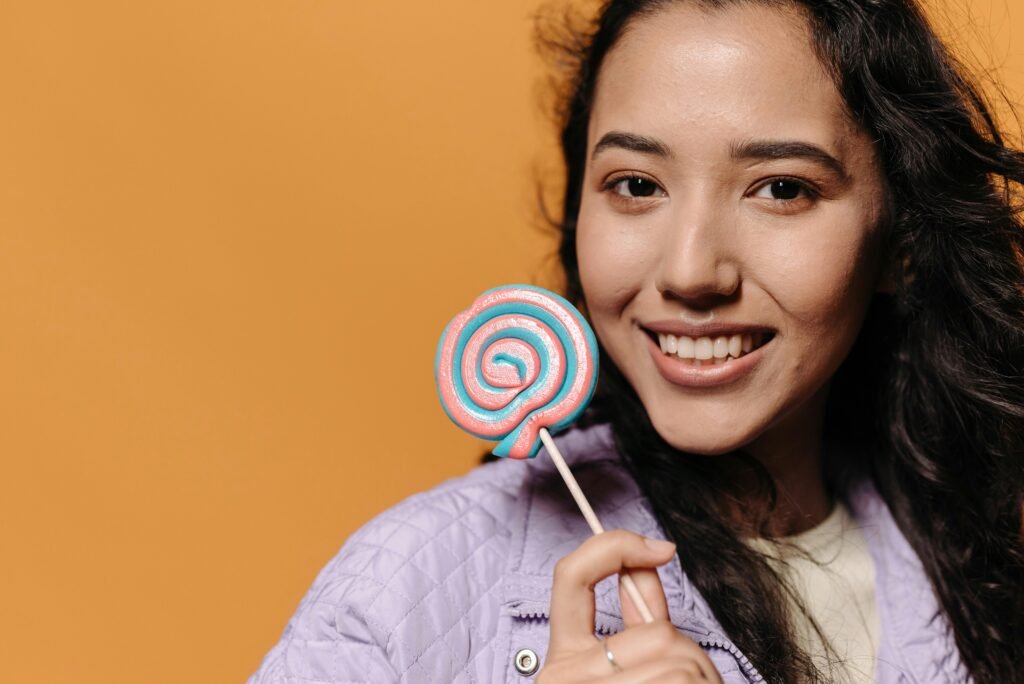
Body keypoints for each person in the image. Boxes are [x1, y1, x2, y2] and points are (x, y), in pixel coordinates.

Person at [250, 0, 1024, 681]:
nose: (690, 271)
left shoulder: (979, 561)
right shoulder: (408, 586)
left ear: (900, 241)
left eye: (781, 188)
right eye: (637, 185)